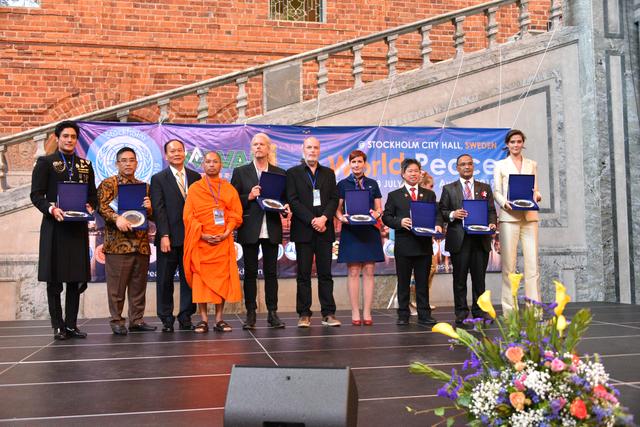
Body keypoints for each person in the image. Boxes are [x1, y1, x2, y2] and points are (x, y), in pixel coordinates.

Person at [30, 120, 96, 340]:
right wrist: (51, 209)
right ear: (57, 138)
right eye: (65, 136)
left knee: (75, 279)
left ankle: (71, 325)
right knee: (55, 279)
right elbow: (36, 195)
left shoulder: (85, 165)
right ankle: (58, 326)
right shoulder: (45, 162)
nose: (69, 140)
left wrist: (91, 206)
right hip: (55, 227)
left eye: (73, 137)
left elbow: (92, 195)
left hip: (77, 229)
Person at [231, 133, 289, 329]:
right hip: (250, 227)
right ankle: (251, 314)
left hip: (271, 227)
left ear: (268, 148)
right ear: (251, 148)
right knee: (250, 273)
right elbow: (232, 200)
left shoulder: (279, 173)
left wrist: (285, 207)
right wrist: (249, 196)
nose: (258, 147)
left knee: (272, 273)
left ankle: (272, 313)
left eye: (262, 144)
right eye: (255, 144)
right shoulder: (241, 172)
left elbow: (284, 199)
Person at [97, 147, 156, 335]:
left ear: (137, 163)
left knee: (138, 287)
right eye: (124, 160)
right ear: (117, 164)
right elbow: (102, 207)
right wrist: (117, 218)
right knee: (117, 288)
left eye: (131, 160)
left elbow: (152, 216)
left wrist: (150, 208)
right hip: (117, 245)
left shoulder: (144, 186)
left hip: (141, 244)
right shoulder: (109, 184)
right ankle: (117, 321)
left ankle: (136, 320)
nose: (128, 164)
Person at [183, 151, 243, 333]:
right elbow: (188, 216)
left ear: (220, 165)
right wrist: (201, 234)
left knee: (221, 280)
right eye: (208, 162)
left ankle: (219, 319)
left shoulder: (228, 188)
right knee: (200, 280)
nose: (211, 165)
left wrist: (226, 232)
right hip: (201, 242)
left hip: (222, 241)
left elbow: (235, 214)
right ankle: (203, 319)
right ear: (203, 165)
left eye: (215, 162)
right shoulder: (195, 188)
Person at [286, 136, 340, 328]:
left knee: (325, 274)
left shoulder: (329, 173)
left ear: (319, 150)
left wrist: (324, 218)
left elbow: (334, 199)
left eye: (315, 147)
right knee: (303, 274)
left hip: (324, 229)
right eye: (309, 147)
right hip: (303, 230)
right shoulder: (292, 173)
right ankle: (304, 314)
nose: (312, 150)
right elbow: (293, 201)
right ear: (303, 149)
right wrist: (312, 220)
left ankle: (328, 313)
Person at [150, 139, 201, 332]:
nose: (176, 154)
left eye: (179, 150)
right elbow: (159, 209)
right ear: (166, 155)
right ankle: (166, 318)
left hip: (191, 237)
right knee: (165, 280)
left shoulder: (195, 177)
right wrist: (164, 235)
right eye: (172, 151)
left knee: (189, 280)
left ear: (184, 153)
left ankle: (186, 316)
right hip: (168, 238)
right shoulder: (158, 179)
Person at [383, 158, 442, 326]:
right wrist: (399, 222)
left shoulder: (429, 194)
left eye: (416, 171)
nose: (413, 174)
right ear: (403, 174)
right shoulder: (394, 195)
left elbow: (437, 214)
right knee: (403, 282)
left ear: (420, 173)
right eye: (410, 171)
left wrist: (438, 224)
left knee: (423, 282)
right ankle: (403, 314)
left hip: (424, 245)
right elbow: (386, 217)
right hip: (404, 245)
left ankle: (424, 314)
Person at [439, 154, 497, 325]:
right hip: (459, 239)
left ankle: (480, 311)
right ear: (457, 168)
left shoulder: (484, 187)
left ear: (473, 166)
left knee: (479, 280)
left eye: (470, 164)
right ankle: (461, 312)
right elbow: (441, 211)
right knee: (460, 279)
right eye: (463, 164)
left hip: (480, 239)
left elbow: (491, 210)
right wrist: (453, 214)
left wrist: (492, 223)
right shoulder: (449, 189)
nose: (467, 167)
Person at [493, 129, 542, 311]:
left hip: (529, 217)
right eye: (512, 142)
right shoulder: (500, 165)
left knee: (532, 265)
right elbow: (496, 191)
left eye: (519, 141)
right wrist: (504, 203)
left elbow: (535, 189)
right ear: (507, 144)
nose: (516, 145)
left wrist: (537, 196)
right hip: (509, 217)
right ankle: (510, 311)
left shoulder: (532, 164)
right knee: (509, 266)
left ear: (523, 143)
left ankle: (534, 311)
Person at [335, 150, 384, 326]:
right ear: (350, 164)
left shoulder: (373, 183)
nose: (356, 165)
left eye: (359, 161)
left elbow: (379, 208)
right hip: (351, 231)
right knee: (354, 271)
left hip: (369, 230)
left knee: (369, 271)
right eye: (353, 162)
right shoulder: (342, 184)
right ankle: (355, 312)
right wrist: (341, 218)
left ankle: (367, 312)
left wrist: (376, 214)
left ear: (364, 164)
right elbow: (337, 209)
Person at [419, 172, 438, 310]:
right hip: (416, 240)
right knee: (418, 272)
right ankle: (414, 301)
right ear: (423, 185)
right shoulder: (416, 199)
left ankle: (423, 299)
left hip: (428, 238)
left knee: (431, 268)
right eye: (431, 186)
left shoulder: (430, 199)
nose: (432, 189)